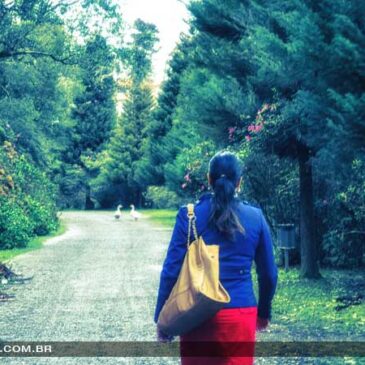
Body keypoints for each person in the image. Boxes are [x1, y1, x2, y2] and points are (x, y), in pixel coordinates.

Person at [154, 151, 278, 364]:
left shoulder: (189, 215)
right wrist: (263, 312)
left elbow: (171, 271)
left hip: (196, 312)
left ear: (209, 179)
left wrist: (162, 318)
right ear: (239, 181)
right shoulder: (255, 217)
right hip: (240, 313)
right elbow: (268, 274)